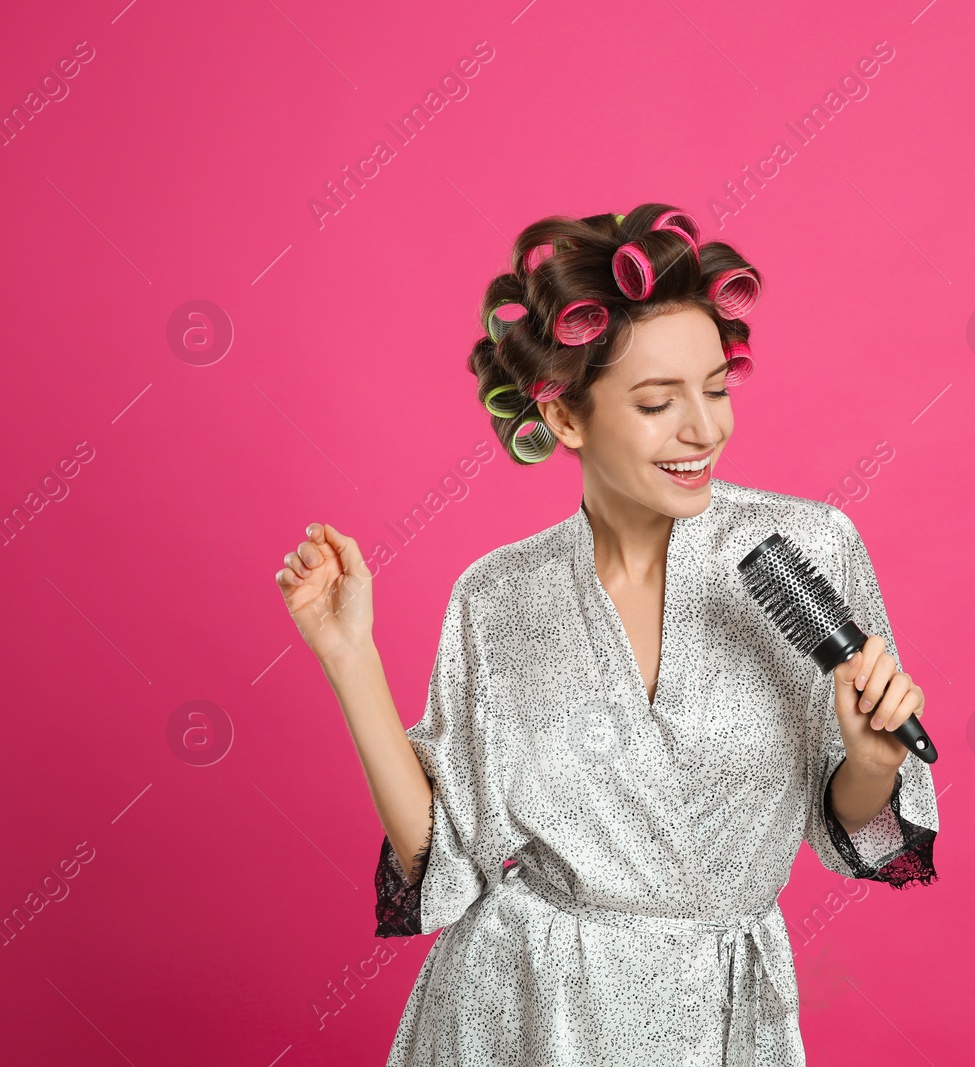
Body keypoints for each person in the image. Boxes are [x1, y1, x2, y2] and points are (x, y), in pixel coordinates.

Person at [274, 204, 939, 1066]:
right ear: (567, 420)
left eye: (717, 389)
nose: (705, 430)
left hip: (725, 1015)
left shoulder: (807, 552)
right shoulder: (500, 596)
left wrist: (875, 762)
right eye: (660, 402)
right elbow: (443, 853)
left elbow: (864, 834)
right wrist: (348, 654)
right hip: (522, 1011)